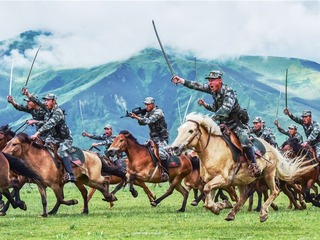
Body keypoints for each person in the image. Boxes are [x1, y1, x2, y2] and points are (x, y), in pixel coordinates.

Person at [172, 70, 261, 178]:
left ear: (220, 80)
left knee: (245, 140)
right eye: (209, 80)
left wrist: (209, 120)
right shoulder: (212, 89)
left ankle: (254, 165)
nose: (210, 83)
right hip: (222, 123)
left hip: (235, 124)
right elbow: (198, 85)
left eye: (212, 80)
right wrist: (181, 81)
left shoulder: (229, 92)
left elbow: (225, 110)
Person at [29, 93, 76, 183]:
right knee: (42, 145)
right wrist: (28, 94)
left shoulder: (58, 112)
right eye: (45, 100)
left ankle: (71, 174)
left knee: (60, 152)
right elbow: (38, 102)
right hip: (54, 138)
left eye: (48, 100)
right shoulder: (48, 109)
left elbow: (49, 124)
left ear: (54, 102)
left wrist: (37, 133)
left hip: (65, 139)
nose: (45, 102)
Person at [129, 96, 170, 181]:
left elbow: (148, 121)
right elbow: (142, 123)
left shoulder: (158, 112)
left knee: (162, 154)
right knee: (142, 151)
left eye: (148, 104)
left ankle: (166, 172)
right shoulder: (148, 112)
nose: (146, 106)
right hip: (153, 138)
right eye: (145, 104)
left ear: (152, 104)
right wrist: (138, 117)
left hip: (162, 138)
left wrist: (137, 117)